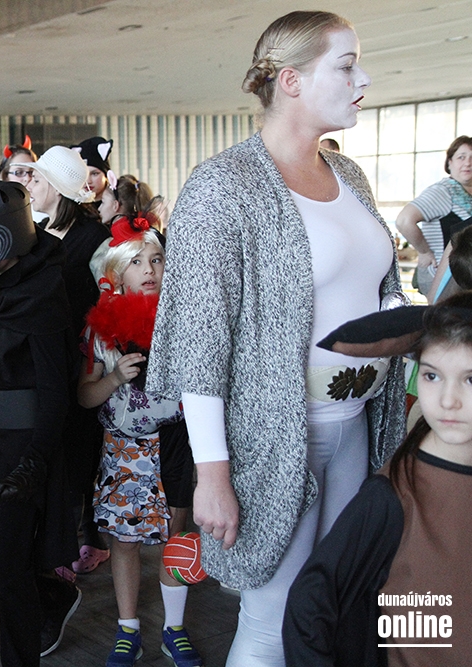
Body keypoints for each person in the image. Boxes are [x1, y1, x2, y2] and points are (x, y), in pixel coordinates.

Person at [145, 12, 407, 666]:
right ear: (291, 80)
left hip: (359, 422)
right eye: (346, 65)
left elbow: (381, 287)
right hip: (272, 438)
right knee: (271, 618)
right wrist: (212, 474)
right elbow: (201, 339)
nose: (363, 80)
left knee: (335, 603)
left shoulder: (350, 176)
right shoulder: (222, 186)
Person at [284, 293, 472, 666]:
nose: (448, 400)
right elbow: (311, 602)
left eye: (471, 379)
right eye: (432, 375)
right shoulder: (393, 496)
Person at [0, 181, 79, 667]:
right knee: (1, 559)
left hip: (22, 449)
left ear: (14, 236)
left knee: (8, 568)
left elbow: (56, 389)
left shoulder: (43, 291)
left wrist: (34, 462)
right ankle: (53, 595)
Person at [79, 217, 203, 667]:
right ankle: (128, 629)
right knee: (124, 541)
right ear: (115, 273)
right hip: (125, 447)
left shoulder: (186, 320)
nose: (149, 269)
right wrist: (114, 377)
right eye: (136, 262)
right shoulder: (99, 330)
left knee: (177, 535)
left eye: (156, 259)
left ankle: (174, 628)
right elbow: (84, 395)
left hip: (177, 442)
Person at [13, 146, 112, 583]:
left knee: (81, 452)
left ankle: (86, 538)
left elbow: (112, 300)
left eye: (35, 179)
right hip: (48, 357)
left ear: (55, 187)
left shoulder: (95, 239)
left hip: (85, 362)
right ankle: (64, 541)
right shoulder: (35, 231)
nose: (29, 185)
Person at [395, 136, 472, 295]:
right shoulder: (443, 191)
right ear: (449, 162)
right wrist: (424, 252)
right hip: (443, 278)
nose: (468, 163)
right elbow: (404, 220)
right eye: (461, 157)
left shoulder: (467, 194)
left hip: (462, 277)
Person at [72, 136, 115, 202]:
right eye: (83, 174)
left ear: (107, 176)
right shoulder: (69, 205)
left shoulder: (120, 203)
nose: (88, 181)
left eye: (94, 174)